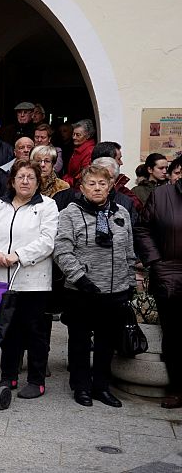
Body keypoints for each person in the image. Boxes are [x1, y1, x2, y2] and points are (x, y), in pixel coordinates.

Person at [55, 165, 136, 408]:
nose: (97, 188)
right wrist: (80, 278)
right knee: (80, 340)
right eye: (92, 183)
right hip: (82, 290)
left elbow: (129, 252)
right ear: (82, 188)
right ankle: (80, 386)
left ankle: (101, 386)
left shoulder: (121, 213)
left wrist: (130, 282)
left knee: (106, 341)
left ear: (111, 187)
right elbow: (62, 250)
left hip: (115, 291)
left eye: (103, 183)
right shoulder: (71, 213)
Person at [0, 159, 58, 399]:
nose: (25, 181)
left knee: (34, 331)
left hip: (32, 280)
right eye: (20, 177)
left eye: (31, 177)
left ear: (38, 182)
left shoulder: (47, 206)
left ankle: (36, 380)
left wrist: (19, 256)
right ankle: (8, 375)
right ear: (11, 181)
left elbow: (47, 240)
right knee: (7, 329)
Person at [134, 168, 182, 409]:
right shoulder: (162, 195)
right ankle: (177, 388)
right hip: (170, 274)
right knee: (174, 335)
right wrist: (156, 261)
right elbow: (143, 228)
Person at [63, 119, 96, 188]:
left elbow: (83, 176)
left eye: (78, 135)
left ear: (87, 136)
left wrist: (67, 181)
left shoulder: (90, 151)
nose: (74, 137)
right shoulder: (78, 149)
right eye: (73, 134)